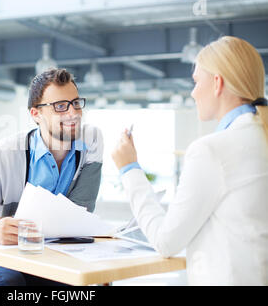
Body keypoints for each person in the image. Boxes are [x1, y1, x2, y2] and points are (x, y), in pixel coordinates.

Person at [112, 36, 268, 285]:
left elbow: (165, 242)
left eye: (196, 81)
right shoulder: (260, 136)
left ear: (217, 83)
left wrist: (129, 168)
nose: (193, 92)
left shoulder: (211, 151)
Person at [0, 68, 103, 286]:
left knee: (83, 282)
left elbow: (79, 216)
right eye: (60, 106)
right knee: (10, 284)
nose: (73, 113)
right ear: (35, 114)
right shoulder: (7, 152)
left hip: (54, 250)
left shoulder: (91, 141)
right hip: (2, 250)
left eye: (76, 103)